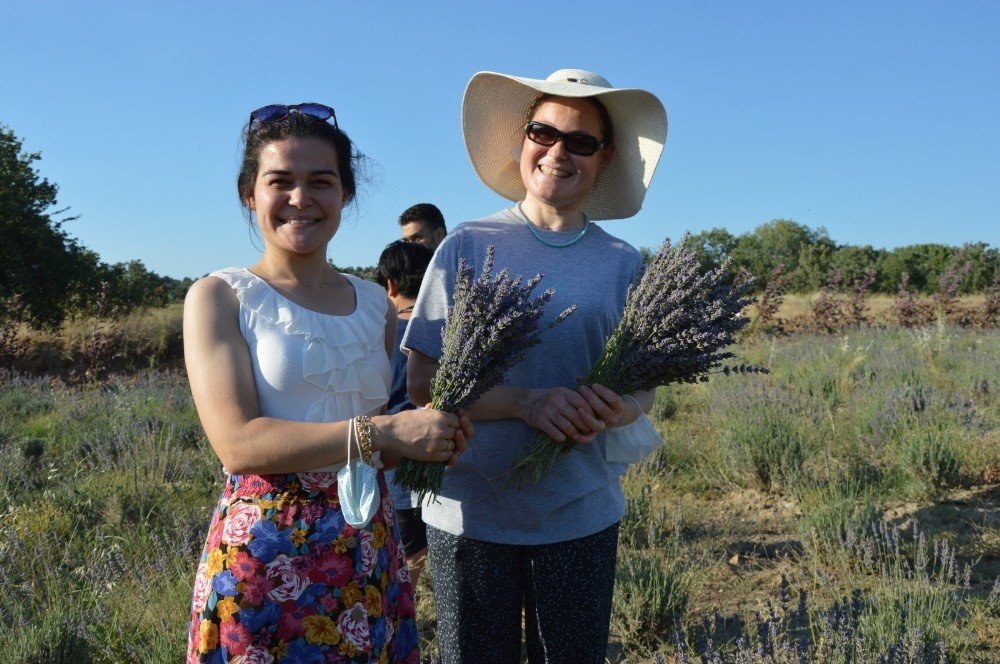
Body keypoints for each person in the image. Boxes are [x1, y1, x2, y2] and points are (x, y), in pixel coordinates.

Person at [183, 102, 470, 663]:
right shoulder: (219, 296)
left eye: (321, 181)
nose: (300, 198)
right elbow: (238, 444)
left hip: (368, 543)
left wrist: (428, 440)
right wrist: (384, 432)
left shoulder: (374, 305)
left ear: (346, 194)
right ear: (250, 193)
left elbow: (379, 449)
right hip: (267, 557)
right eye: (279, 182)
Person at [403, 70, 668, 663]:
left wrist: (617, 408)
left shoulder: (624, 263)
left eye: (580, 142)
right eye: (543, 132)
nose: (557, 152)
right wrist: (528, 402)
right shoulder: (466, 245)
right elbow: (423, 385)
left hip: (580, 511)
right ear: (522, 141)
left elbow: (643, 392)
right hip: (469, 512)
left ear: (605, 159)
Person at [374, 240, 434, 590]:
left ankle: (401, 620)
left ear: (391, 286)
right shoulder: (447, 332)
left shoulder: (379, 334)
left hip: (395, 472)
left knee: (404, 559)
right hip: (445, 464)